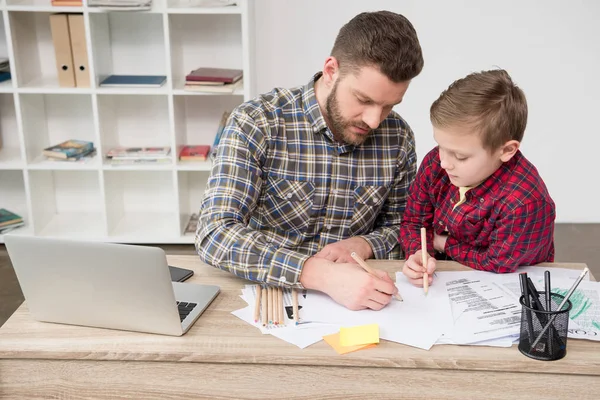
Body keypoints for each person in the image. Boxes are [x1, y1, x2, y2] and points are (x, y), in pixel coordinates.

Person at [196, 11, 424, 311]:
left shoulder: (398, 137)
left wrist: (364, 245)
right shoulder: (257, 122)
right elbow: (215, 232)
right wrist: (320, 275)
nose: (374, 120)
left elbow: (402, 226)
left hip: (360, 303)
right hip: (267, 298)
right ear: (331, 70)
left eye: (388, 106)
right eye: (364, 100)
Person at [399, 69, 556, 288]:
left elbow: (498, 261)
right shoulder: (438, 161)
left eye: (461, 156)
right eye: (440, 146)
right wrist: (418, 252)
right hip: (445, 278)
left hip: (506, 284)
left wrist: (441, 243)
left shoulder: (525, 203)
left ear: (507, 150)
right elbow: (415, 221)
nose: (444, 162)